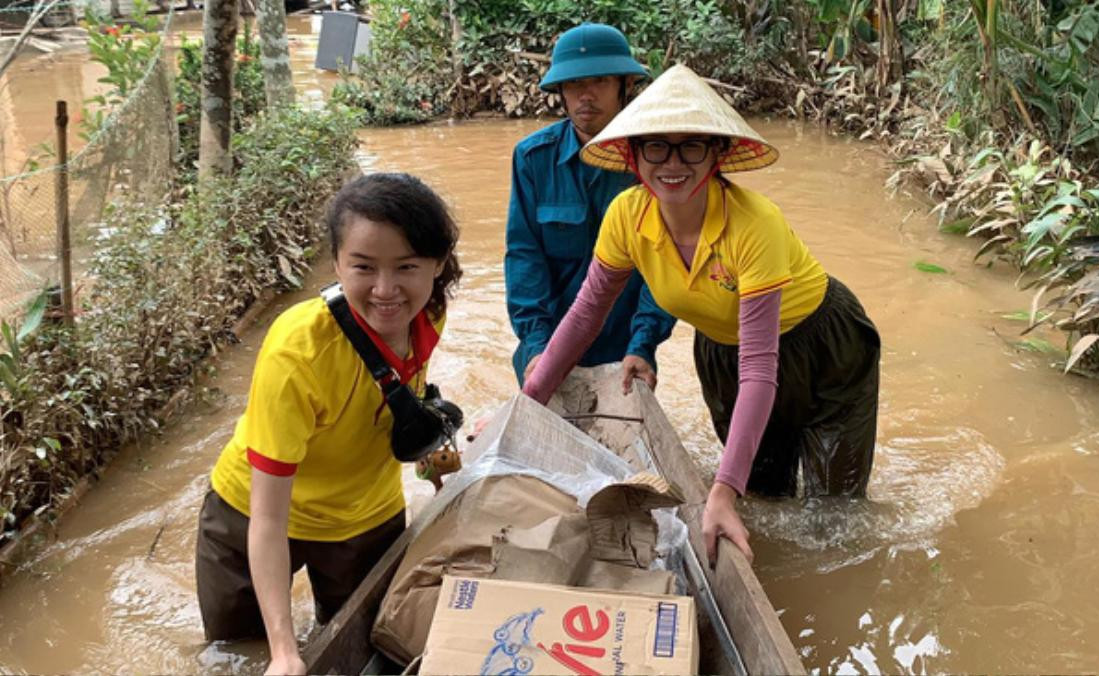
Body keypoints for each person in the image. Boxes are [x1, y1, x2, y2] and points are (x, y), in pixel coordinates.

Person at [522, 64, 881, 564]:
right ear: (632, 155)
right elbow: (586, 316)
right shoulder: (626, 216)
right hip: (721, 346)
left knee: (832, 517)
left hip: (824, 346)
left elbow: (760, 363)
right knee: (765, 493)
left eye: (692, 146)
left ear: (717, 155)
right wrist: (527, 404)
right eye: (656, 147)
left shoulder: (754, 223)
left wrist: (720, 491)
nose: (673, 163)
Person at [194, 173, 462, 675]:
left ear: (436, 264)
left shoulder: (431, 312)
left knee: (358, 648)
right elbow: (268, 518)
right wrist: (283, 652)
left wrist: (434, 457)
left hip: (364, 517)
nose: (386, 291)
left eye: (406, 267)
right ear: (337, 264)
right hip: (249, 517)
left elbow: (406, 389)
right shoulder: (298, 351)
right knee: (238, 654)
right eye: (363, 267)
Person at [505, 22, 675, 390]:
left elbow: (665, 265)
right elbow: (524, 257)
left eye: (598, 81)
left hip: (625, 346)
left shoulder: (659, 161)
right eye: (574, 84)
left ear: (625, 87)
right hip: (548, 341)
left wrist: (643, 343)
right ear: (561, 92)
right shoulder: (533, 158)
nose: (585, 95)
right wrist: (537, 346)